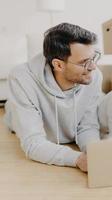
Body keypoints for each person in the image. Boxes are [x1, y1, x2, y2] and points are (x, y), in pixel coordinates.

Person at [3, 23, 103, 171]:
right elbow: (33, 144)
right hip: (16, 117)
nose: (93, 67)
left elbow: (87, 125)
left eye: (93, 58)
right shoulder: (21, 78)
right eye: (84, 62)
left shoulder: (93, 76)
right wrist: (78, 159)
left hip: (62, 125)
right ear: (58, 65)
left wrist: (94, 152)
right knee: (12, 112)